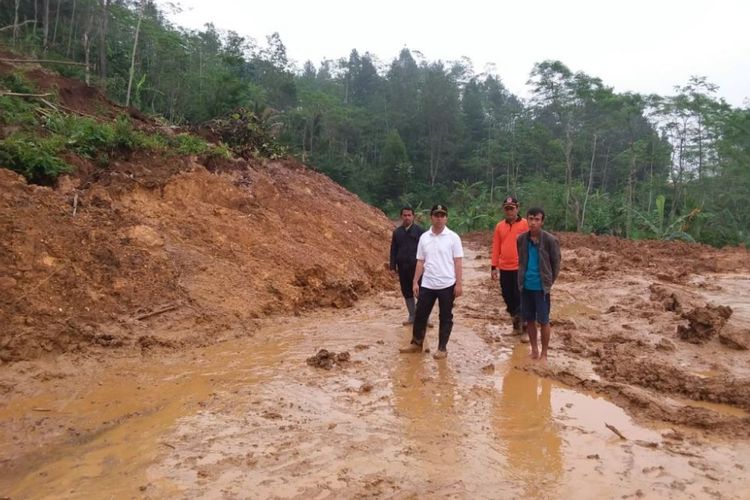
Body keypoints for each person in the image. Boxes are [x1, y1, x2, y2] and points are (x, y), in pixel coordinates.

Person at [400, 204, 464, 359]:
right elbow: (420, 262)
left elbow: (458, 262)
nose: (439, 218)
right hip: (427, 283)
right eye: (437, 215)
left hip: (447, 284)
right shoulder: (424, 237)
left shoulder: (453, 237)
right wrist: (415, 282)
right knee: (421, 314)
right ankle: (416, 343)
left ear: (446, 218)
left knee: (445, 316)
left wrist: (459, 284)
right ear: (432, 217)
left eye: (442, 215)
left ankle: (442, 348)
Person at [517, 207, 561, 361]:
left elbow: (556, 265)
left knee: (543, 320)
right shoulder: (521, 239)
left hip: (541, 288)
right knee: (529, 319)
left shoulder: (550, 240)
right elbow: (521, 261)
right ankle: (534, 350)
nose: (533, 222)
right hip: (525, 286)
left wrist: (548, 282)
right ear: (526, 220)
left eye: (537, 219)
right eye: (531, 219)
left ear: (542, 221)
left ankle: (544, 354)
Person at [490, 196, 529, 334]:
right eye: (506, 208)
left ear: (517, 209)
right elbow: (496, 247)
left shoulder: (526, 224)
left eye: (511, 208)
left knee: (520, 296)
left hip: (520, 267)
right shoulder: (499, 226)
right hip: (504, 268)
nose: (509, 211)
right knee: (507, 296)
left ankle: (524, 328)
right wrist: (493, 267)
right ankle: (515, 322)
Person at [389, 207, 426, 325]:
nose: (407, 217)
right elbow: (393, 250)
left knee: (421, 292)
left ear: (413, 217)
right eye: (405, 215)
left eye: (409, 215)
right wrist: (392, 267)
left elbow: (427, 250)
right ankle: (412, 316)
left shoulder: (420, 231)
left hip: (417, 267)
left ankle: (425, 317)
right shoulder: (397, 232)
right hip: (403, 267)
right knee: (406, 291)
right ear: (401, 217)